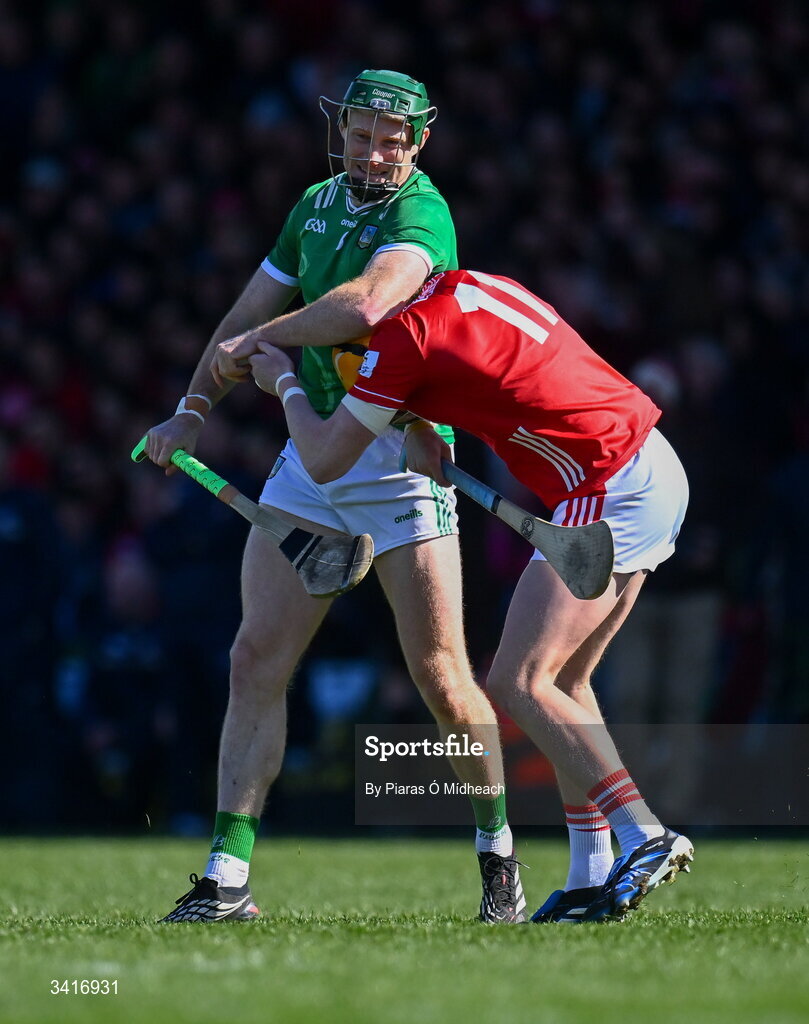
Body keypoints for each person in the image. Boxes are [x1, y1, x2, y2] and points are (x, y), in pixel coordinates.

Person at [144, 72, 524, 925]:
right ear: (340, 130)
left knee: (440, 678)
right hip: (312, 457)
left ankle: (497, 854)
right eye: (360, 133)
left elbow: (367, 303)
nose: (372, 149)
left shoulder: (421, 213)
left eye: (390, 137)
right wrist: (192, 408)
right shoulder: (314, 204)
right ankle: (226, 877)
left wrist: (262, 344)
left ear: (417, 141)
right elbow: (244, 310)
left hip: (401, 454)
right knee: (254, 660)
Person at [248, 267, 695, 923]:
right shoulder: (462, 283)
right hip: (646, 464)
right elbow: (484, 368)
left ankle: (642, 831)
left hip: (609, 489)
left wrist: (284, 381)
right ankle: (589, 870)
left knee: (519, 681)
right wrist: (420, 419)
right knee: (565, 680)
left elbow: (320, 460)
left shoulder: (402, 339)